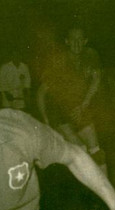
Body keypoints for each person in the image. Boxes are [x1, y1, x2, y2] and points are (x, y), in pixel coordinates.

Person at [37, 27, 108, 176]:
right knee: (81, 153)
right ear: (67, 42)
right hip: (58, 113)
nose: (77, 44)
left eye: (80, 40)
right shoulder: (58, 60)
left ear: (85, 41)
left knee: (97, 153)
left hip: (79, 108)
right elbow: (41, 92)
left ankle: (107, 197)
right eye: (73, 40)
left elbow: (97, 79)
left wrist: (84, 104)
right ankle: (88, 190)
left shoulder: (91, 55)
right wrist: (46, 121)